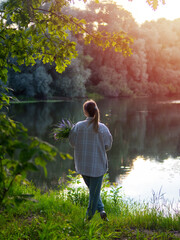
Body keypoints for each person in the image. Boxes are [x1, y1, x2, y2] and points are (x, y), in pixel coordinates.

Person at [69, 99, 113, 221]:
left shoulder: (78, 126)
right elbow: (108, 146)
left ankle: (100, 211)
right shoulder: (102, 128)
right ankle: (87, 219)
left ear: (85, 112)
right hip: (97, 166)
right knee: (94, 193)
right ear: (96, 111)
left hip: (83, 165)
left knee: (93, 192)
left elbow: (72, 143)